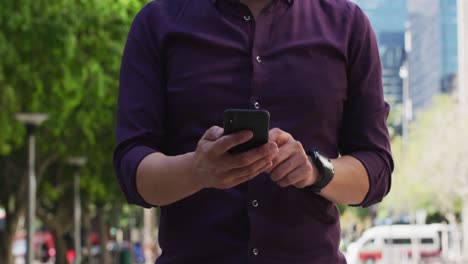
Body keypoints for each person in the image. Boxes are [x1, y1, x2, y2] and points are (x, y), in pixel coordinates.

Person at [113, 0, 394, 263]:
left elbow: (376, 169)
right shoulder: (157, 22)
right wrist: (196, 171)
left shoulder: (348, 25)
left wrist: (314, 171)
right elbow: (131, 167)